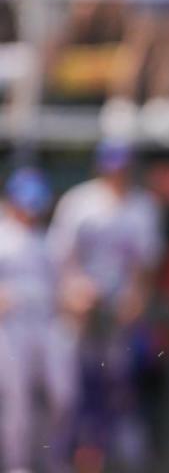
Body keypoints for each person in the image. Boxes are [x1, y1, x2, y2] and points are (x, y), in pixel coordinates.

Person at [47, 140, 165, 470]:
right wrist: (74, 291)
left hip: (117, 314)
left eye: (123, 167)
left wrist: (136, 298)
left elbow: (146, 266)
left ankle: (113, 463)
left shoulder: (143, 206)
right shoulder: (79, 202)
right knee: (66, 395)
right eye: (112, 167)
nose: (118, 174)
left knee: (117, 392)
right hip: (77, 311)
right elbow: (61, 259)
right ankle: (59, 462)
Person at [0, 168, 78, 473]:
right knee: (17, 399)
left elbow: (64, 282)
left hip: (48, 320)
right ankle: (18, 466)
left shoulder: (49, 237)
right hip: (12, 323)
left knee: (63, 394)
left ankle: (54, 460)